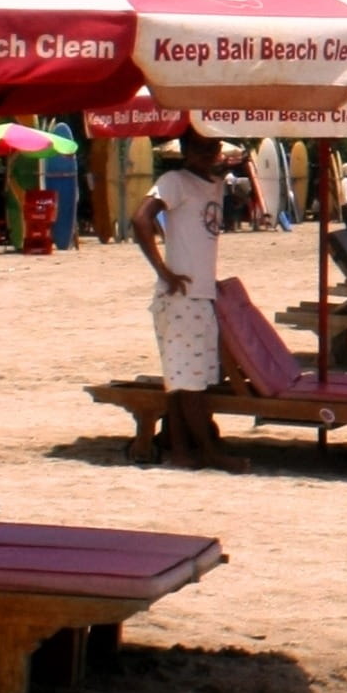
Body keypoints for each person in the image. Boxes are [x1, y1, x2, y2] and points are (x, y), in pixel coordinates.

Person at [129, 133, 243, 471]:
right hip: (182, 298)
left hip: (199, 294)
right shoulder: (174, 181)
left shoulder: (214, 185)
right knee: (190, 383)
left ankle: (180, 449)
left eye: (212, 147)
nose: (208, 153)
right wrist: (164, 271)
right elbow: (141, 219)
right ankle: (207, 451)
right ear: (186, 151)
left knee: (182, 380)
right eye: (199, 148)